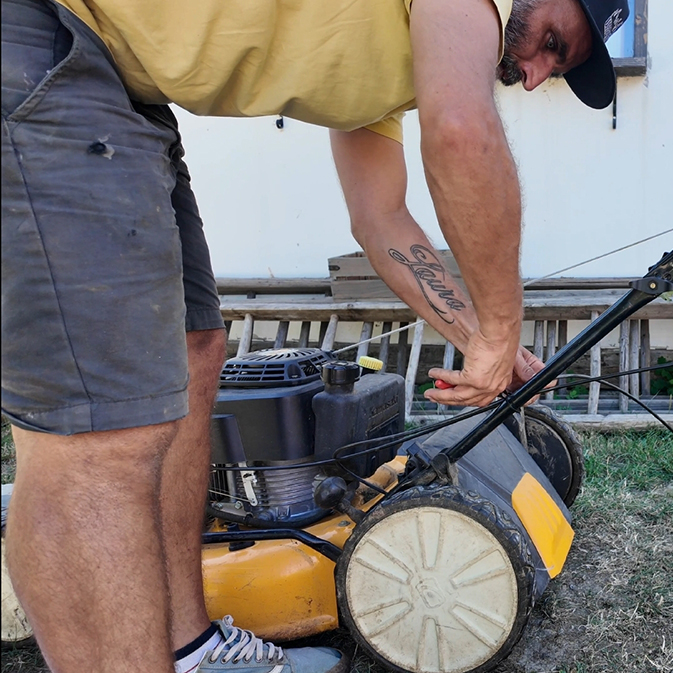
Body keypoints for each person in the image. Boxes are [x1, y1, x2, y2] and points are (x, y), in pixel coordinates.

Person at [0, 0, 629, 670]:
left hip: (121, 85)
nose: (533, 77)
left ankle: (189, 646)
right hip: (49, 34)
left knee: (193, 350)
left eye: (553, 69)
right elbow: (462, 133)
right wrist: (502, 327)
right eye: (552, 45)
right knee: (100, 434)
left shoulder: (390, 62)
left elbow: (380, 216)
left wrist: (485, 341)